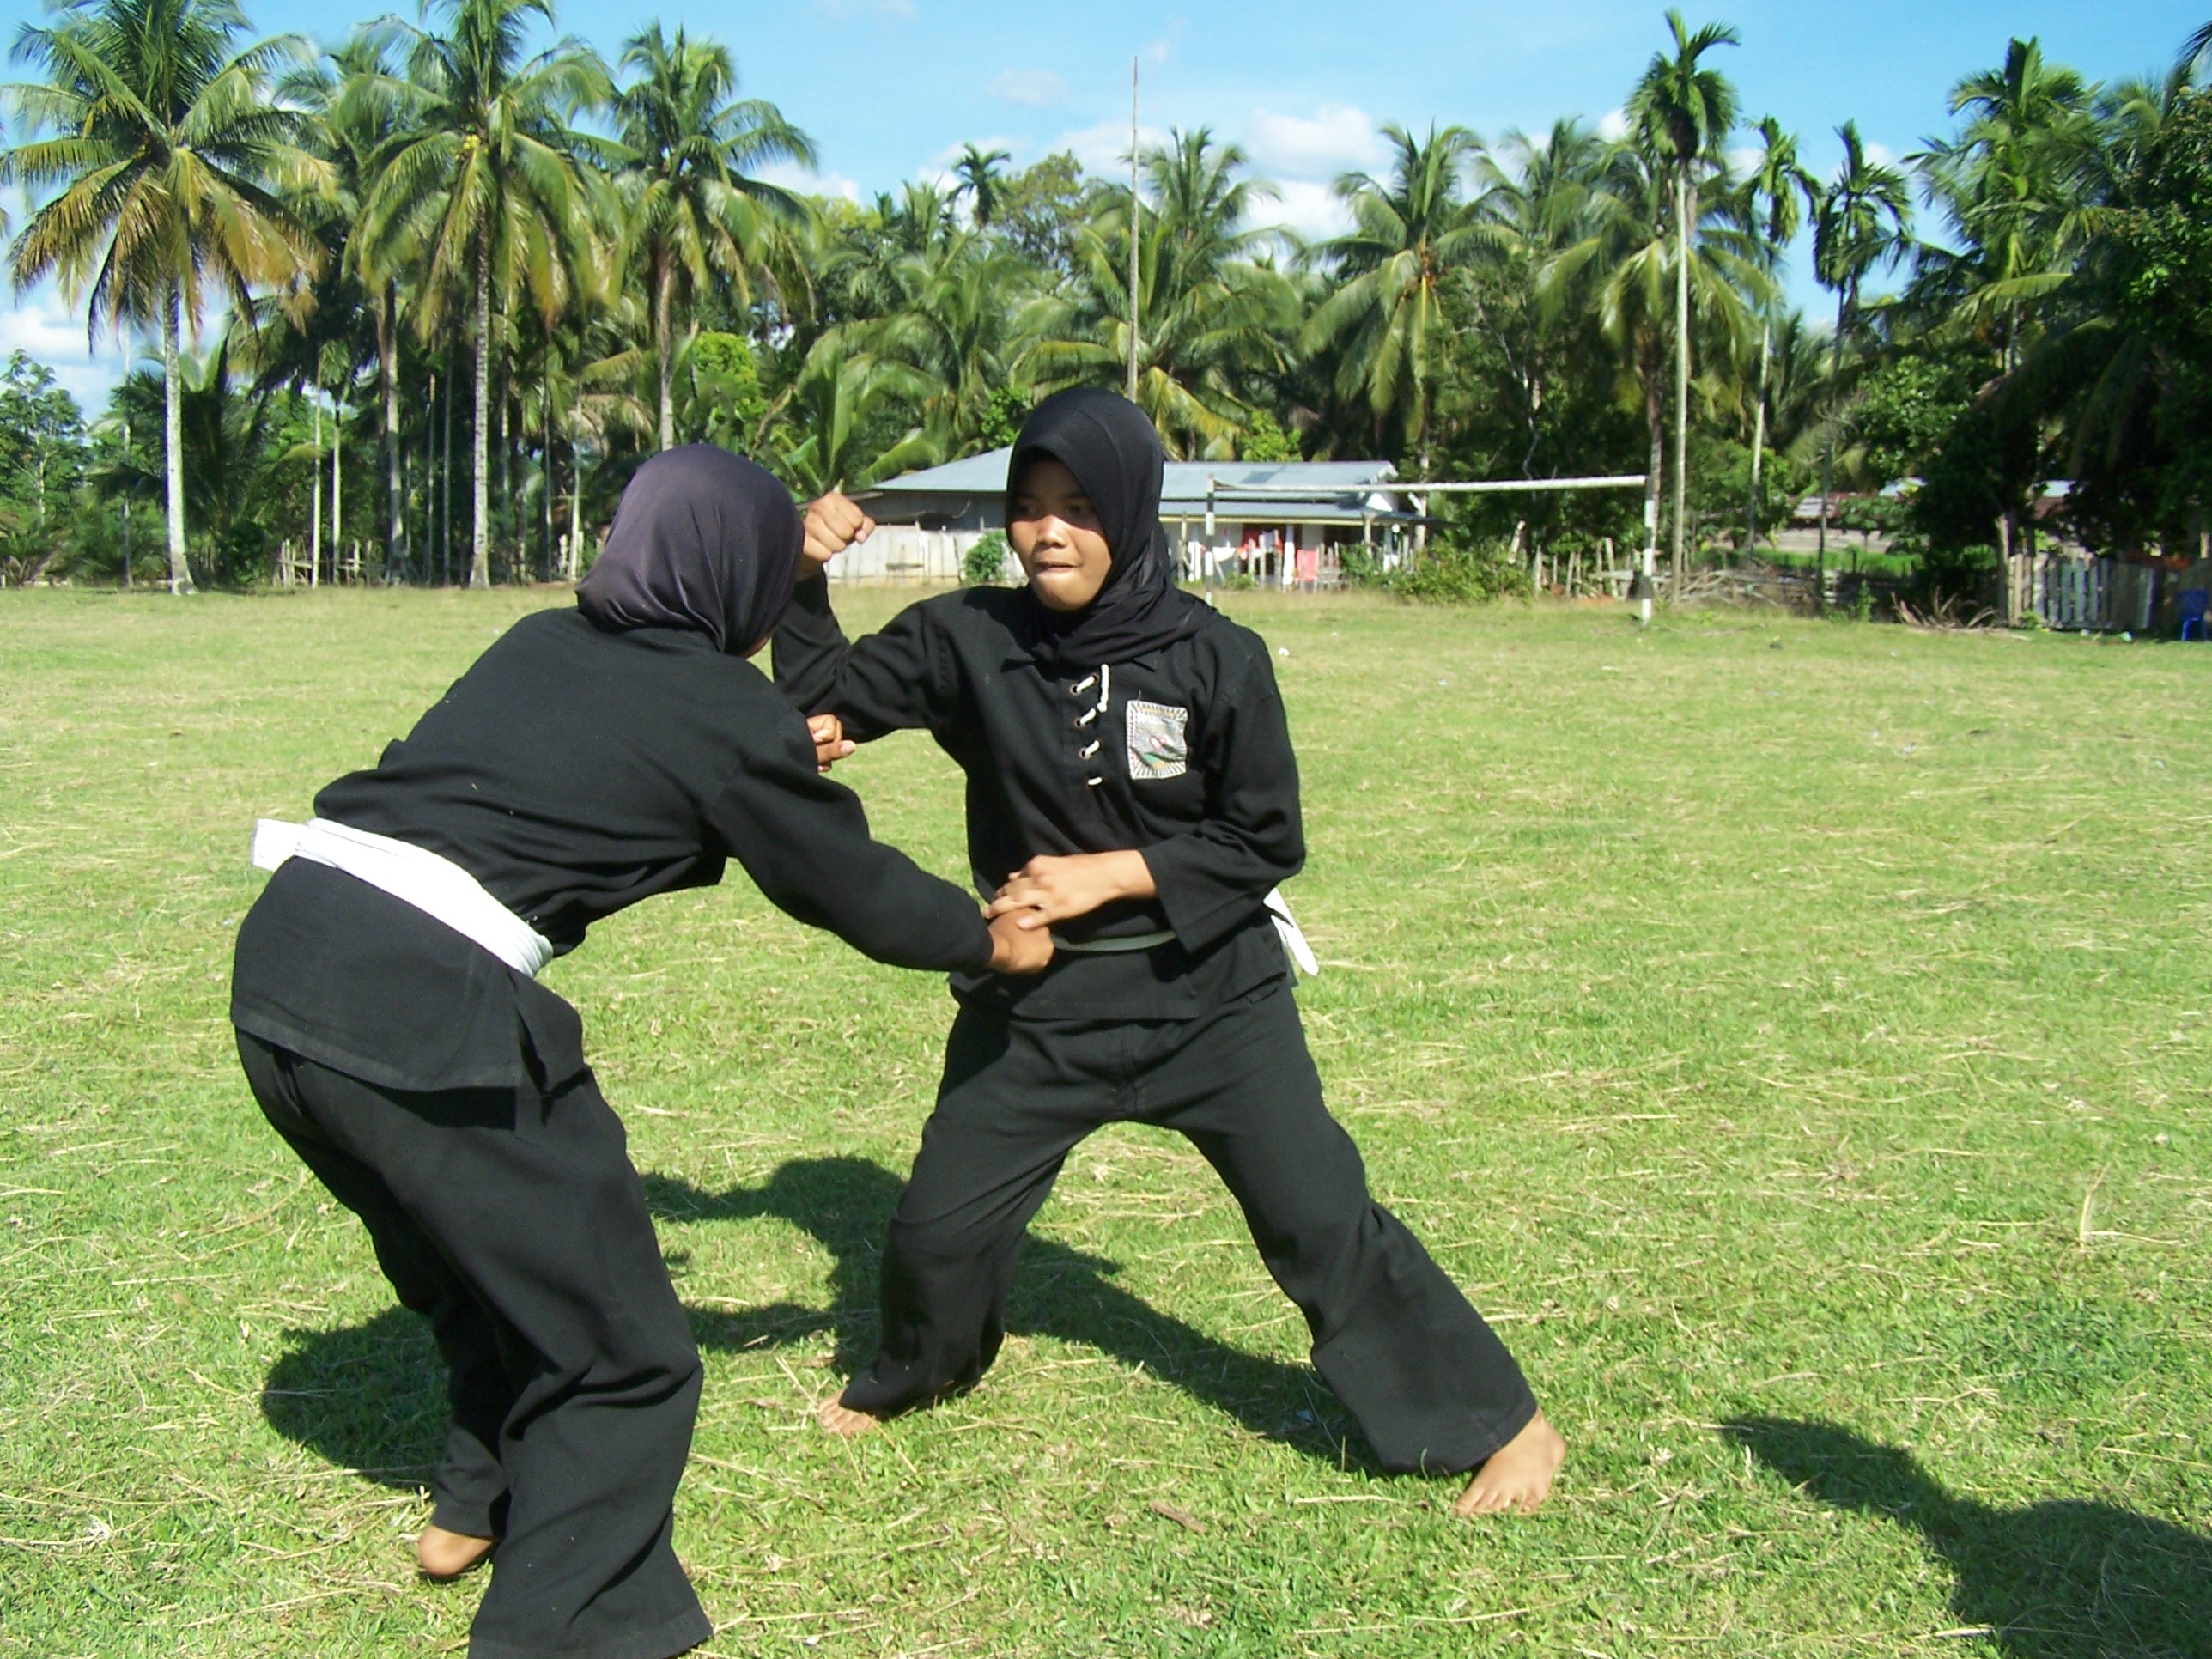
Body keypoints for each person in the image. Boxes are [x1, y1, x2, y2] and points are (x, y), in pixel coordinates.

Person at [228, 446, 1050, 1659]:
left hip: (287, 973)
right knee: (625, 1358)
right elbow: (853, 892)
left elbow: (616, 764)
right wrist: (982, 940)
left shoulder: (540, 644)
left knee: (479, 1270)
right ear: (729, 576)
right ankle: (570, 1635)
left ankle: (476, 1505)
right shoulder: (714, 715)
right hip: (421, 1011)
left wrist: (765, 747)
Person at [775, 389, 1565, 1516]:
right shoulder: (970, 640)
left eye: (1080, 507)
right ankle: (932, 1364)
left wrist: (1106, 872)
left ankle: (1501, 1423)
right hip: (1039, 1006)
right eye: (1030, 508)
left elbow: (1266, 836)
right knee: (935, 1234)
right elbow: (820, 704)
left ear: (1135, 515)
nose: (1048, 532)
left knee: (1318, 1220)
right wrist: (801, 578)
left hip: (1212, 998)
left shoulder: (1217, 657)